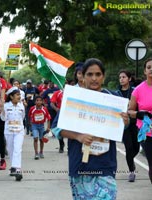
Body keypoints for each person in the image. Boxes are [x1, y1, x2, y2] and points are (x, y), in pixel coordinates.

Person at [52, 58, 129, 199]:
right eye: (90, 74)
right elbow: (56, 128)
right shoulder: (73, 98)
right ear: (82, 76)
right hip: (80, 166)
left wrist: (125, 122)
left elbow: (121, 128)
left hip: (105, 165)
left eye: (98, 74)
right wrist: (78, 136)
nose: (94, 78)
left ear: (103, 77)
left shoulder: (113, 98)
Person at [128, 58, 152, 183]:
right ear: (144, 71)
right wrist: (139, 114)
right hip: (146, 133)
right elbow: (130, 111)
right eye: (149, 67)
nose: (151, 69)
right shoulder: (138, 90)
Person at [117, 69, 139, 182]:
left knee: (136, 148)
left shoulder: (135, 91)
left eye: (124, 77)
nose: (121, 79)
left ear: (129, 79)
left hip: (136, 124)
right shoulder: (117, 93)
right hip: (124, 125)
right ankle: (132, 171)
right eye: (120, 77)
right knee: (129, 147)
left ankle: (130, 158)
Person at [1, 86, 25, 181]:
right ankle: (13, 167)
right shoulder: (6, 106)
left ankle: (17, 169)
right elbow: (3, 118)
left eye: (19, 95)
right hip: (9, 131)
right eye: (17, 95)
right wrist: (2, 109)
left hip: (19, 131)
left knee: (17, 149)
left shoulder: (21, 105)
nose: (19, 96)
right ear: (11, 96)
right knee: (11, 150)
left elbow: (22, 118)